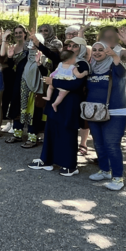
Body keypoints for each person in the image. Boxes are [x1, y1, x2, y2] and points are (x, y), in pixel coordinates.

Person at [28, 36, 90, 177]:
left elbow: (76, 85)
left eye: (75, 46)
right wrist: (39, 55)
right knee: (51, 131)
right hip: (56, 101)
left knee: (67, 133)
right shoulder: (65, 62)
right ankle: (46, 160)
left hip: (70, 103)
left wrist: (53, 82)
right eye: (70, 46)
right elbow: (51, 70)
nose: (71, 48)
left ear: (82, 48)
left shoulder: (82, 64)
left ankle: (70, 165)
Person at [84, 41, 126, 191]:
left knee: (112, 144)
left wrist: (115, 55)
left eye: (101, 50)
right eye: (94, 50)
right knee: (98, 143)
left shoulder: (114, 67)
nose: (97, 52)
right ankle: (104, 171)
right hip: (94, 112)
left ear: (107, 52)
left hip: (115, 112)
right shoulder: (91, 68)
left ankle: (118, 178)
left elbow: (122, 72)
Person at [3, 25, 29, 142]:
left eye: (20, 32)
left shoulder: (29, 46)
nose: (18, 34)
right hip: (14, 79)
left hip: (26, 79)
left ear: (24, 33)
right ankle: (17, 131)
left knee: (25, 104)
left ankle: (30, 132)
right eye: (16, 33)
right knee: (15, 103)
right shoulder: (13, 47)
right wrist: (10, 57)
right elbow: (10, 65)